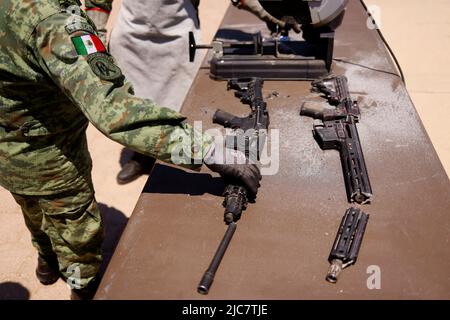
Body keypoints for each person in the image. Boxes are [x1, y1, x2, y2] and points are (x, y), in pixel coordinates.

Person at [0, 0, 261, 299]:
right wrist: (208, 151)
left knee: (31, 208)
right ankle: (81, 286)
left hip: (9, 147)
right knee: (77, 231)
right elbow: (114, 111)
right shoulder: (54, 23)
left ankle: (46, 262)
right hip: (53, 160)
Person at [101, 0, 298, 184]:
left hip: (176, 38)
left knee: (179, 105)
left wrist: (268, 13)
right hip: (131, 39)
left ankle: (175, 161)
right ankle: (143, 156)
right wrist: (96, 36)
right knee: (136, 106)